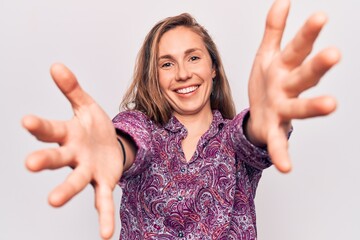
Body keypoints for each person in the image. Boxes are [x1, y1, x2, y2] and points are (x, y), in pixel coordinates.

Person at [22, 0, 341, 239]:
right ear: (154, 76)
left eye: (193, 57)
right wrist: (112, 150)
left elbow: (254, 134)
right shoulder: (140, 128)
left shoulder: (233, 136)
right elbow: (126, 144)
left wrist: (268, 117)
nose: (183, 73)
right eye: (167, 64)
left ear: (213, 68)